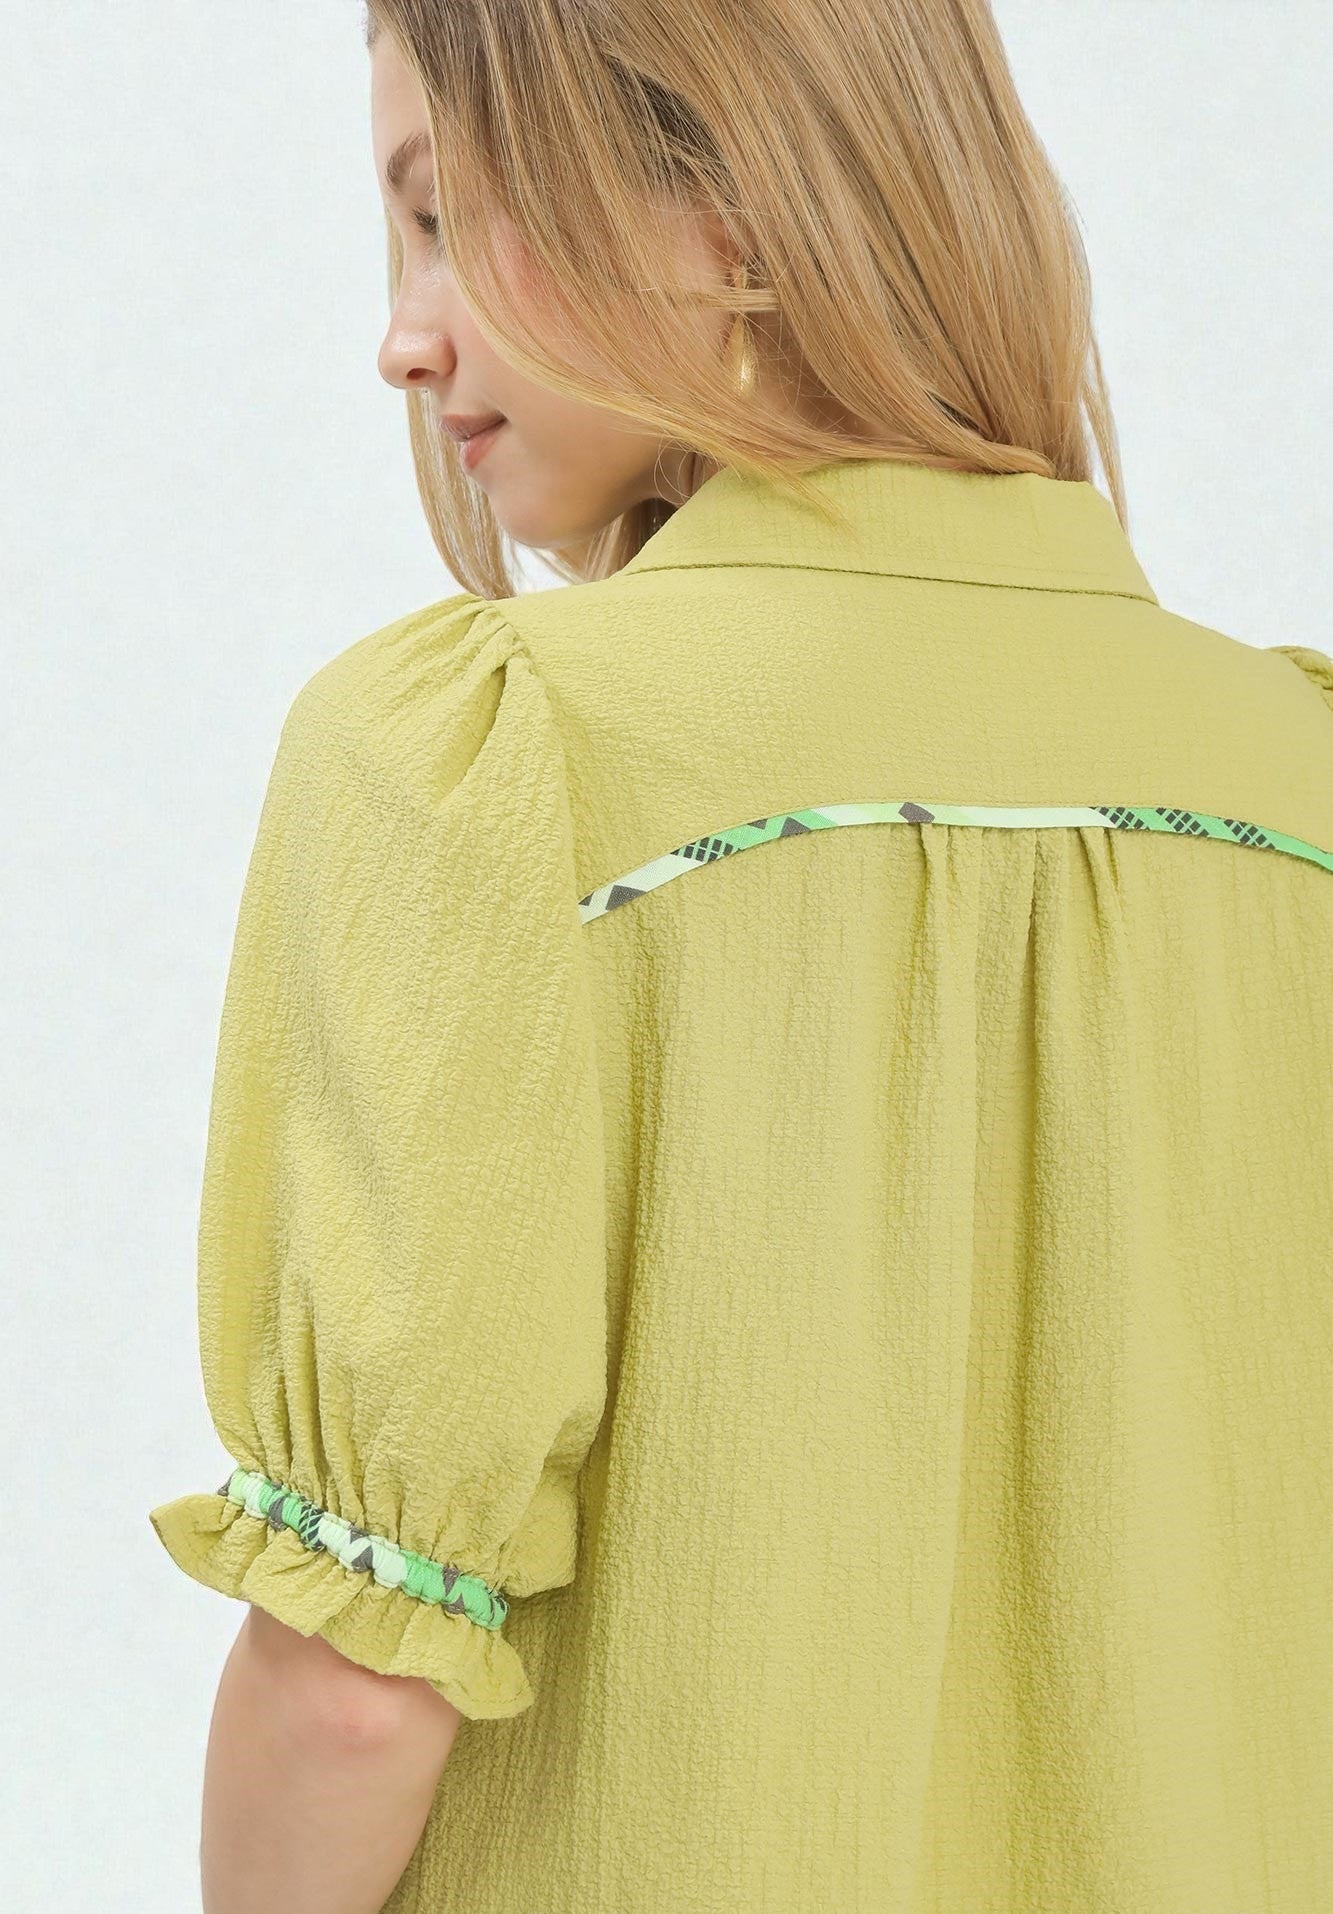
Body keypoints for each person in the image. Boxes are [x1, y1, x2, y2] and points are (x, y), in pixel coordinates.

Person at [148, 2, 1333, 1909]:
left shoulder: (497, 757)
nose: (401, 331)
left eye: (446, 213)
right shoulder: (1298, 798)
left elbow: (356, 1686)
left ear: (728, 206)